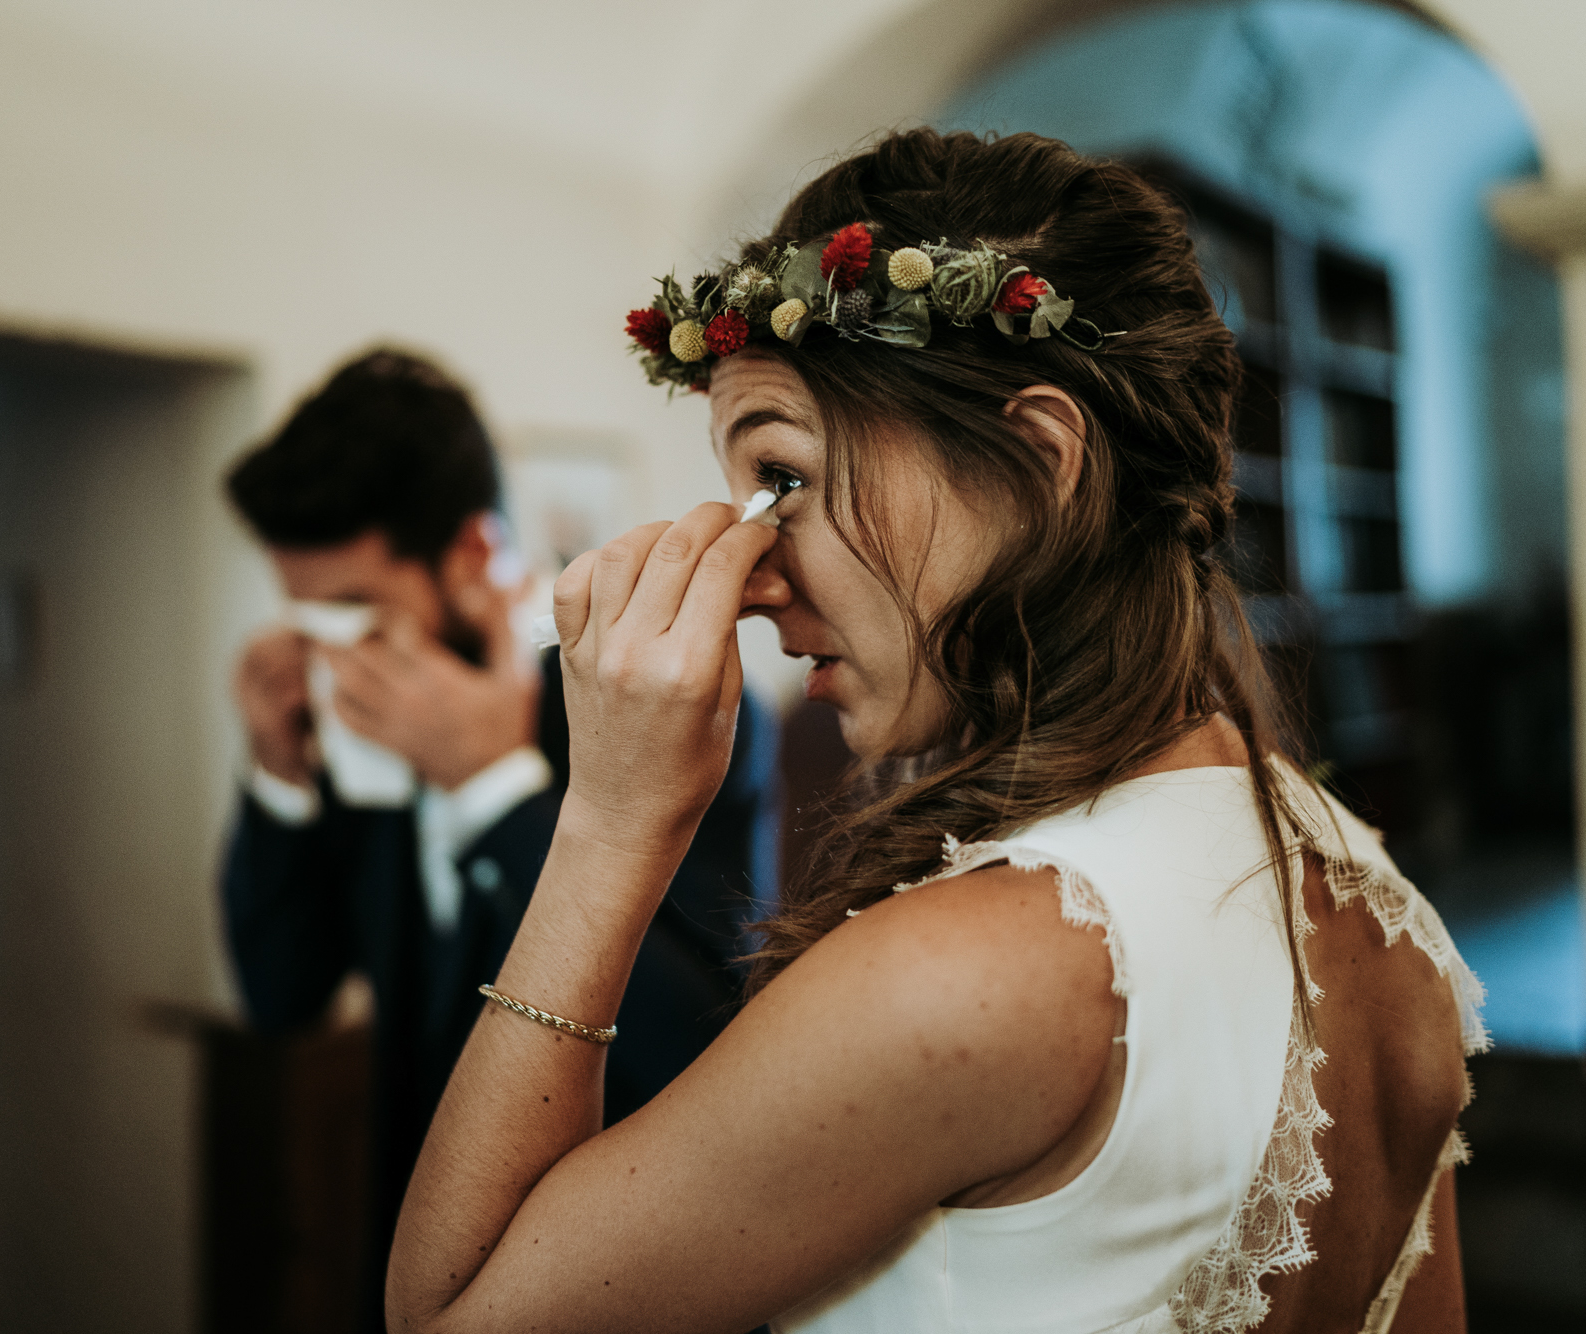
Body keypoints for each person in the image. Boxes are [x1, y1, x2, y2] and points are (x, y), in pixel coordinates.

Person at [384, 130, 1486, 1334]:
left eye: (783, 481)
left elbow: (447, 1315)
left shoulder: (967, 972)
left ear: (1038, 459)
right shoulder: (1372, 895)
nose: (755, 577)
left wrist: (608, 820)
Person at [218, 348, 774, 1325]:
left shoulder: (658, 706)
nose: (331, 651)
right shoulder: (348, 720)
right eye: (302, 613)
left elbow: (700, 1048)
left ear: (472, 555)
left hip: (618, 1280)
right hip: (418, 1268)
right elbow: (281, 996)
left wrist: (494, 788)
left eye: (352, 609)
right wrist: (277, 777)